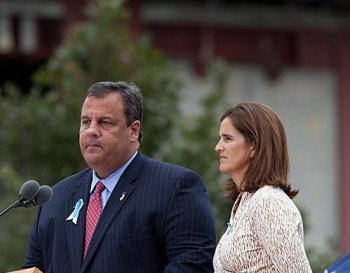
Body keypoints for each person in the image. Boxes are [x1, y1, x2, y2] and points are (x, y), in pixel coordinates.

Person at [24, 81, 216, 273]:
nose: (91, 130)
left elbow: (192, 266)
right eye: (85, 122)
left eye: (105, 122)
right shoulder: (55, 197)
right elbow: (32, 269)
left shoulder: (175, 187)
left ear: (133, 130)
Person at [213, 102, 312, 272]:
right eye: (220, 138)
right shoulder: (245, 200)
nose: (218, 147)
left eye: (227, 138)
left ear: (254, 146)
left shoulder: (268, 202)